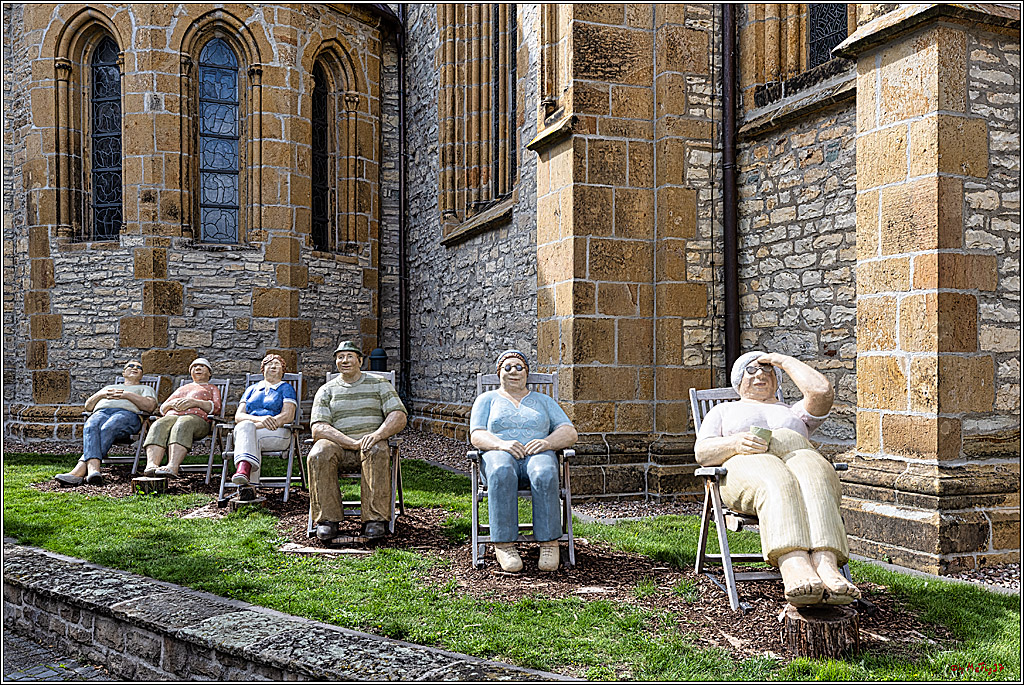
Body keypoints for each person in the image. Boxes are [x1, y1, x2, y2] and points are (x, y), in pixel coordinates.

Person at [694, 351, 861, 606]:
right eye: (751, 370)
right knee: (777, 480)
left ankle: (826, 563)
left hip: (799, 456)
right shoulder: (724, 410)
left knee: (816, 476)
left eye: (767, 369)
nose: (760, 374)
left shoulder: (794, 412)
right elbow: (702, 452)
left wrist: (780, 360)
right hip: (747, 465)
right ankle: (794, 564)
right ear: (738, 381)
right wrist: (735, 443)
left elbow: (822, 392)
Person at [469, 350, 578, 573]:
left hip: (537, 454)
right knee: (501, 470)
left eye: (519, 367)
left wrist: (547, 442)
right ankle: (504, 544)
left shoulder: (543, 401)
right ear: (499, 373)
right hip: (498, 454)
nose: (514, 372)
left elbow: (569, 432)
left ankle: (549, 543)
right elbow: (477, 434)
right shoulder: (487, 400)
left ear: (526, 373)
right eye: (507, 367)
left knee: (545, 472)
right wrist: (500, 444)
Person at [308, 341, 407, 541]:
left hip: (371, 443)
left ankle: (374, 520)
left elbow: (398, 415)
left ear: (360, 361)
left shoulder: (379, 384)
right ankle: (327, 520)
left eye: (349, 356)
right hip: (339, 446)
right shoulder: (326, 390)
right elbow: (318, 428)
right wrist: (351, 443)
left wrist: (377, 435)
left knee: (377, 449)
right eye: (340, 357)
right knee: (319, 453)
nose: (344, 361)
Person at [54, 360, 159, 486]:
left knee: (109, 426)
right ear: (123, 373)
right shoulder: (108, 388)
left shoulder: (145, 389)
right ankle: (93, 471)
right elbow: (88, 406)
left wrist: (126, 395)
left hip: (128, 415)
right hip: (101, 412)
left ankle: (82, 469)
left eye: (139, 367)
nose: (135, 368)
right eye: (130, 366)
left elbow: (150, 406)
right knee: (90, 426)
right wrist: (102, 394)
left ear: (141, 375)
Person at [141, 357, 222, 478]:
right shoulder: (182, 388)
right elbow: (163, 408)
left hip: (197, 419)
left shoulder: (211, 388)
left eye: (202, 366)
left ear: (209, 373)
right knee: (159, 424)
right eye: (194, 367)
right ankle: (152, 464)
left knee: (183, 423)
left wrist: (195, 402)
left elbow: (216, 408)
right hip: (173, 416)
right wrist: (171, 404)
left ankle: (173, 466)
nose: (198, 368)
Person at [229, 353, 297, 486]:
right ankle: (248, 484)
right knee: (248, 430)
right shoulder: (252, 389)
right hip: (250, 430)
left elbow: (288, 416)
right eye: (269, 364)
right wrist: (260, 421)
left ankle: (244, 475)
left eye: (277, 364)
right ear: (263, 369)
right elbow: (239, 416)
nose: (273, 366)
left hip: (277, 431)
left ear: (283, 370)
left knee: (247, 431)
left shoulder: (286, 388)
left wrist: (259, 424)